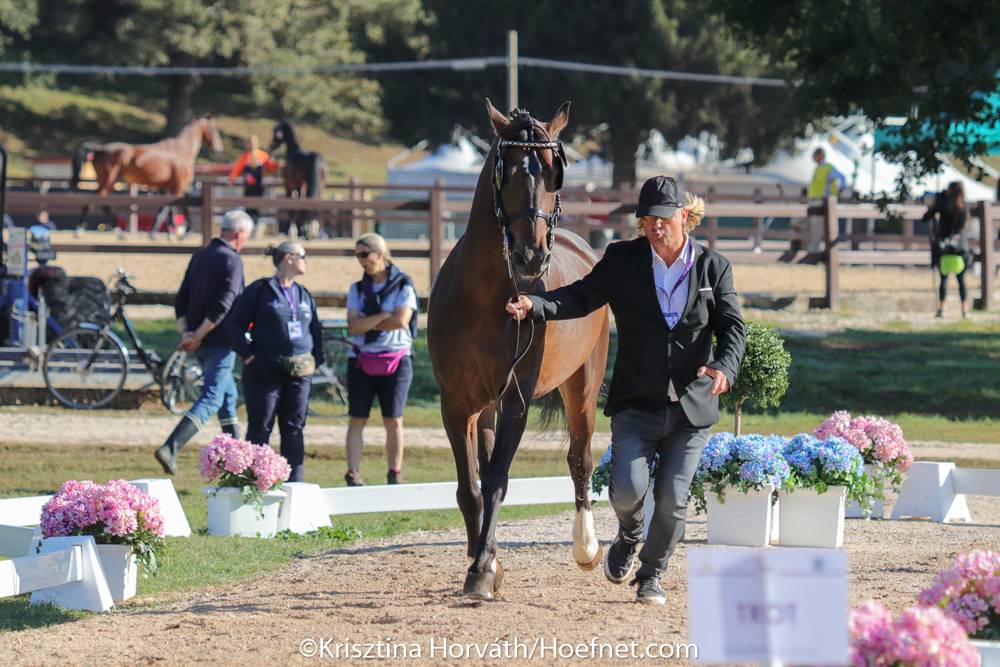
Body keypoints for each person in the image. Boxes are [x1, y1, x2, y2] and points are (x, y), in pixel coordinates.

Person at [506, 175, 746, 605]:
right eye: (647, 218)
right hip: (637, 402)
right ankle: (629, 535)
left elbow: (732, 328)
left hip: (691, 408)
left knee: (672, 501)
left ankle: (651, 574)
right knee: (627, 491)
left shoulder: (714, 267)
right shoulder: (622, 260)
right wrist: (536, 305)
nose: (655, 225)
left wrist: (725, 366)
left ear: (684, 216)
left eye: (663, 217)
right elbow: (581, 297)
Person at [154, 209, 253, 475]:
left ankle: (237, 457)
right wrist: (197, 335)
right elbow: (225, 304)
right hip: (219, 340)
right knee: (211, 398)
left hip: (198, 340)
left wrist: (187, 333)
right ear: (239, 234)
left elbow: (181, 299)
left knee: (228, 395)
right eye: (247, 236)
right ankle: (171, 447)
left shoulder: (200, 255)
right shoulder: (232, 260)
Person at [228, 242, 323, 482]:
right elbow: (236, 325)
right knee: (261, 427)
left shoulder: (303, 293)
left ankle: (295, 484)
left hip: (299, 373)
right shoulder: (260, 290)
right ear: (288, 258)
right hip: (264, 371)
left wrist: (316, 359)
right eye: (302, 256)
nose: (306, 261)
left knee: (294, 428)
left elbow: (315, 329)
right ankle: (253, 483)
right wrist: (248, 355)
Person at [344, 233, 418, 486]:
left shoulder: (403, 284)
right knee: (357, 418)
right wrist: (382, 316)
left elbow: (401, 320)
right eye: (357, 255)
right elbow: (353, 326)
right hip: (361, 358)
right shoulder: (356, 289)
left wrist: (368, 322)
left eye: (364, 254)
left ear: (380, 254)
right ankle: (353, 473)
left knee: (393, 419)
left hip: (397, 359)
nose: (361, 260)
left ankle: (394, 473)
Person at [923, 182, 970, 319]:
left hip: (944, 246)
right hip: (960, 246)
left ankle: (941, 309)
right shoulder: (964, 205)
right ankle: (965, 311)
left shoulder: (943, 203)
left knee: (943, 278)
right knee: (961, 280)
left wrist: (936, 202)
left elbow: (926, 217)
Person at [798, 147, 848, 252]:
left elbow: (842, 178)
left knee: (819, 228)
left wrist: (839, 191)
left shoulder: (827, 168)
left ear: (820, 155)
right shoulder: (818, 169)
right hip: (815, 201)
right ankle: (815, 251)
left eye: (815, 155)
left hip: (823, 201)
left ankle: (817, 252)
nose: (813, 158)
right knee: (814, 227)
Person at [227, 135, 277, 226]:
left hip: (258, 187)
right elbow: (237, 169)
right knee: (248, 208)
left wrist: (273, 161)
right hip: (248, 188)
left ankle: (254, 226)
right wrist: (231, 179)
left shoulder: (263, 155)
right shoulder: (245, 156)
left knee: (256, 208)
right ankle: (250, 226)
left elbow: (271, 167)